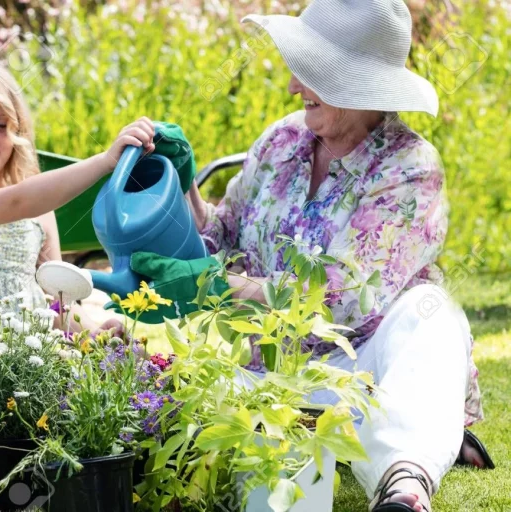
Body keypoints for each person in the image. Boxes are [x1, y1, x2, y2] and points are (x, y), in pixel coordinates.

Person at [137, 1, 489, 511]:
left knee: (432, 312)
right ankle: (420, 434)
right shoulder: (282, 139)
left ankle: (404, 484)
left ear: (359, 86)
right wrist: (181, 185)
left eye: (310, 74)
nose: (293, 87)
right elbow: (222, 233)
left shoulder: (410, 168)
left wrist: (218, 286)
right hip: (268, 375)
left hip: (365, 373)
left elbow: (341, 299)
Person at [0, 57, 152, 368]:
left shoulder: (39, 214)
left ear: (17, 130)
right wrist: (104, 162)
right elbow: (13, 203)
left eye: (2, 124)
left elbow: (59, 303)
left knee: (118, 370)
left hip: (20, 371)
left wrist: (95, 334)